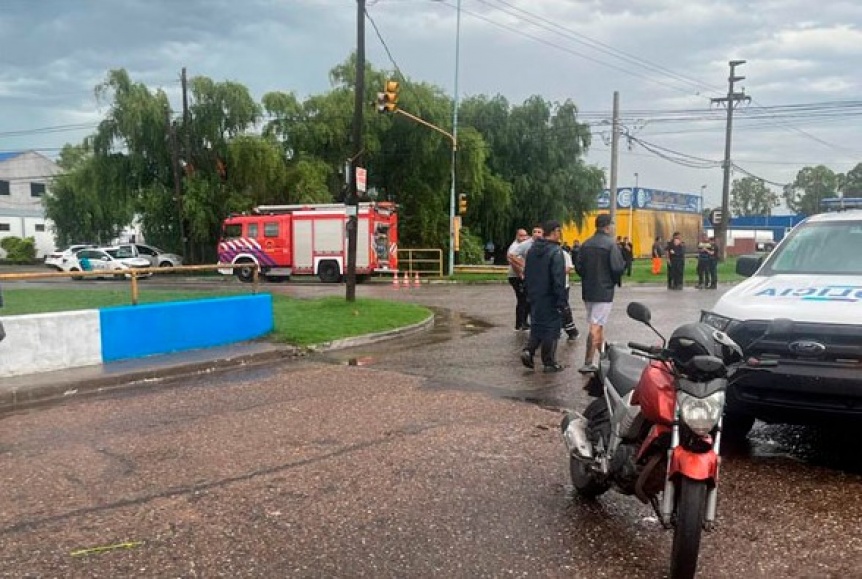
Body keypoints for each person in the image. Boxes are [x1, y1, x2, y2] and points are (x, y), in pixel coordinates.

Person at [575, 213, 626, 374]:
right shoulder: (611, 245)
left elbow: (579, 267)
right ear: (607, 226)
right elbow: (617, 268)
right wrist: (613, 280)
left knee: (597, 323)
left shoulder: (586, 244)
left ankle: (603, 356)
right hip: (604, 291)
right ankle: (588, 361)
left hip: (588, 289)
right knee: (596, 325)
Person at [520, 220, 567, 373]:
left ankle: (529, 350)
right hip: (550, 296)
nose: (560, 234)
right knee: (552, 329)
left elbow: (527, 272)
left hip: (535, 294)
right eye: (559, 231)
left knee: (537, 325)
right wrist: (562, 301)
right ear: (554, 231)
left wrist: (529, 292)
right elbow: (558, 278)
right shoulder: (556, 252)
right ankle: (549, 362)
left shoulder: (533, 249)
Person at [506, 228, 531, 330]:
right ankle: (520, 324)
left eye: (525, 235)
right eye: (521, 235)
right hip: (516, 276)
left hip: (521, 275)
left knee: (526, 300)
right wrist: (520, 274)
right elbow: (512, 261)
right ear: (516, 236)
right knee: (522, 300)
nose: (524, 237)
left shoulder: (523, 245)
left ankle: (524, 322)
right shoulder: (514, 247)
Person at [560, 245, 579, 341]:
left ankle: (571, 330)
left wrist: (555, 271)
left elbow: (569, 268)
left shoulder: (564, 254)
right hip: (547, 287)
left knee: (563, 307)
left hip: (563, 286)